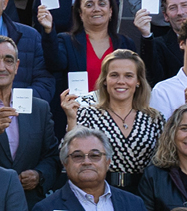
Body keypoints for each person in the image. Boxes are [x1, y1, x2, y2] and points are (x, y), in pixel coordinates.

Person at [0, 35, 62, 198]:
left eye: (8, 61)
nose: (1, 67)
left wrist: (39, 175)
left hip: (29, 201)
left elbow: (52, 158)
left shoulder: (39, 108)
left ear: (16, 66)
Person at [59, 49, 162, 192]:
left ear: (138, 81)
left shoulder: (154, 118)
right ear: (105, 80)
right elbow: (68, 157)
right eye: (114, 75)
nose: (121, 81)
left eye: (128, 76)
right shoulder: (86, 114)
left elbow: (162, 161)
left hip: (143, 193)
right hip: (97, 190)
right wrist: (71, 119)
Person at [38, 0, 136, 99]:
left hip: (117, 108)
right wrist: (48, 30)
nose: (96, 9)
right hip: (77, 108)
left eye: (102, 4)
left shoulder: (125, 43)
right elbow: (54, 64)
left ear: (110, 11)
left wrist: (147, 36)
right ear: (80, 14)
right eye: (89, 5)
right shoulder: (67, 41)